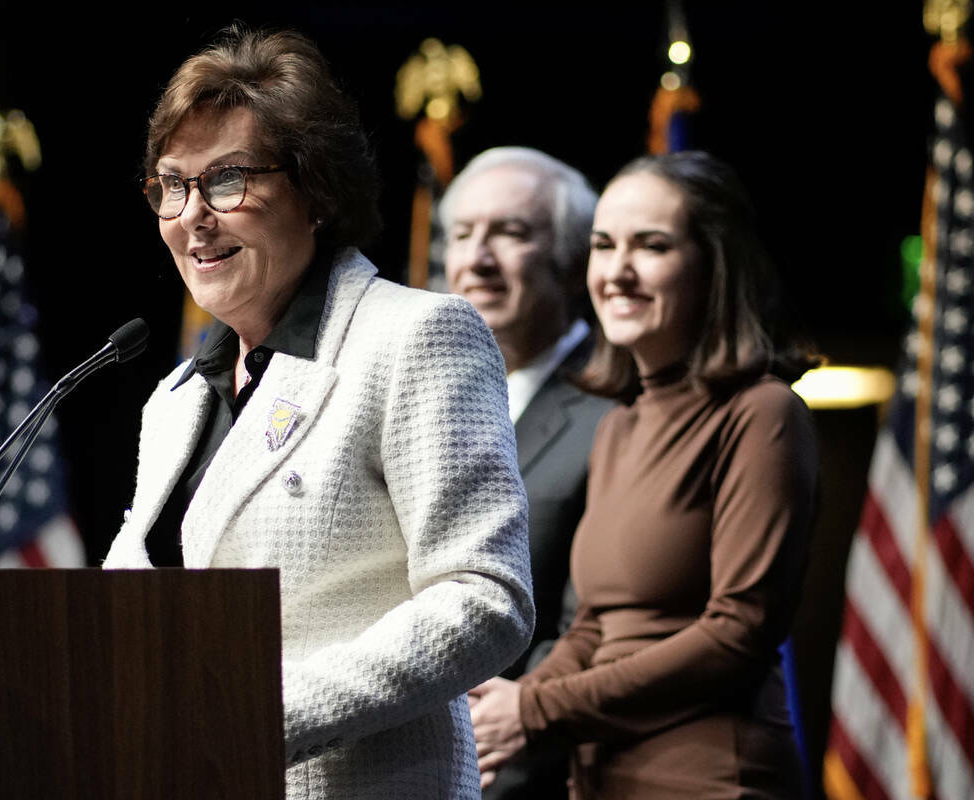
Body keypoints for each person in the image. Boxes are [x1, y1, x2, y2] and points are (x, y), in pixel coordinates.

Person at [101, 26, 534, 800]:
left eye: (226, 179)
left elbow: (484, 596)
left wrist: (257, 717)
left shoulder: (414, 337)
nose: (193, 216)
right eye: (171, 185)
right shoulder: (174, 401)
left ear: (316, 187)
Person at [469, 150, 818, 799]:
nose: (618, 273)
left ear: (712, 265)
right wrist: (508, 704)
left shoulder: (762, 412)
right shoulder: (620, 425)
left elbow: (738, 632)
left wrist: (538, 710)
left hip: (712, 781)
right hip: (601, 779)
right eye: (604, 246)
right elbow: (594, 625)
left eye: (650, 246)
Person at [441, 148, 615, 798]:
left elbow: (609, 614)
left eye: (510, 233)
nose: (477, 259)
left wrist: (514, 728)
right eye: (463, 235)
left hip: (531, 770)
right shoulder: (423, 399)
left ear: (573, 262)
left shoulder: (621, 405)